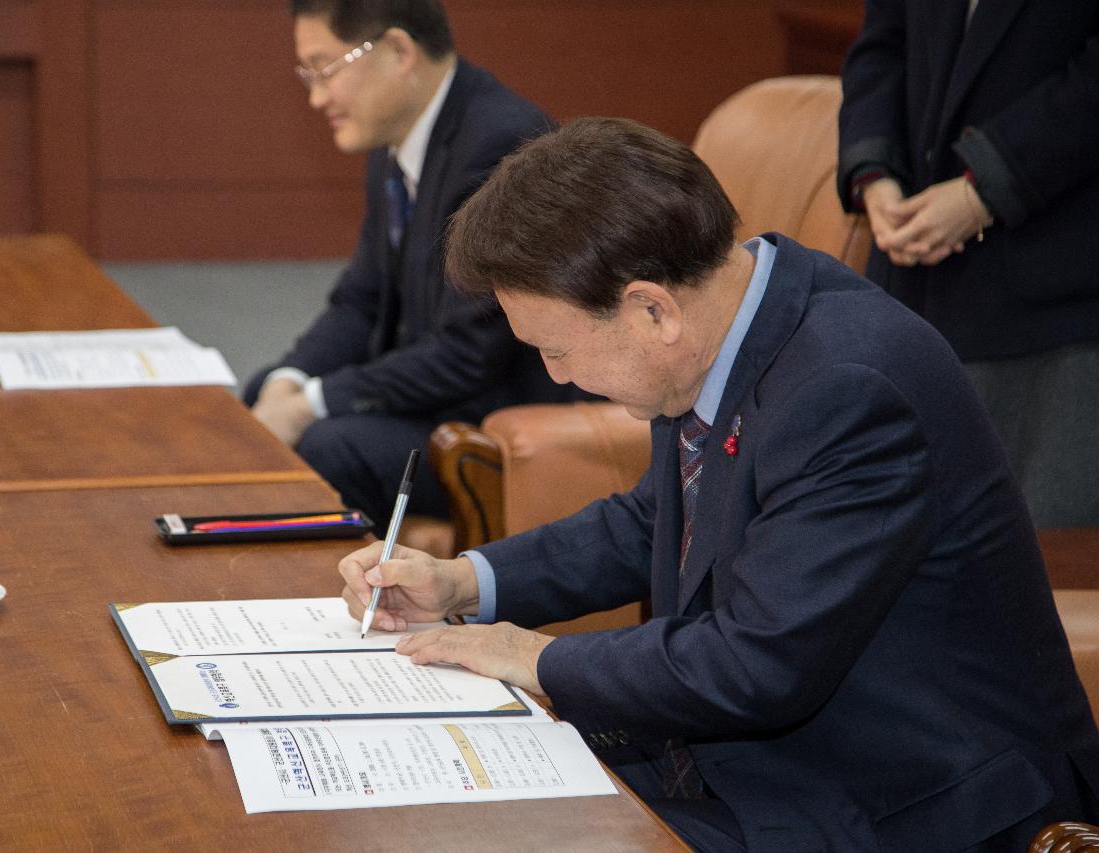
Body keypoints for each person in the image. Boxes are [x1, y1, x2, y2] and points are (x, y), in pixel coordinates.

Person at [336, 118, 1099, 851]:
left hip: (906, 802)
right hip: (757, 763)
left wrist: (529, 656)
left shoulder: (849, 388)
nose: (556, 375)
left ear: (651, 309)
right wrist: (462, 581)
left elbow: (756, 664)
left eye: (557, 348)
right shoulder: (728, 324)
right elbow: (649, 523)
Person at [244, 0, 570, 532]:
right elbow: (360, 301)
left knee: (330, 445)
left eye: (326, 69)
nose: (316, 96)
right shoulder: (396, 138)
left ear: (398, 51)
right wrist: (289, 382)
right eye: (308, 75)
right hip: (441, 393)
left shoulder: (501, 145)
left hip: (497, 421)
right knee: (261, 389)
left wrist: (309, 404)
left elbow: (469, 354)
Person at [837, 2, 1099, 526]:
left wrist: (987, 190)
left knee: (1044, 562)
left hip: (1058, 308)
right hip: (909, 289)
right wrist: (875, 173)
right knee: (888, 557)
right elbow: (882, 42)